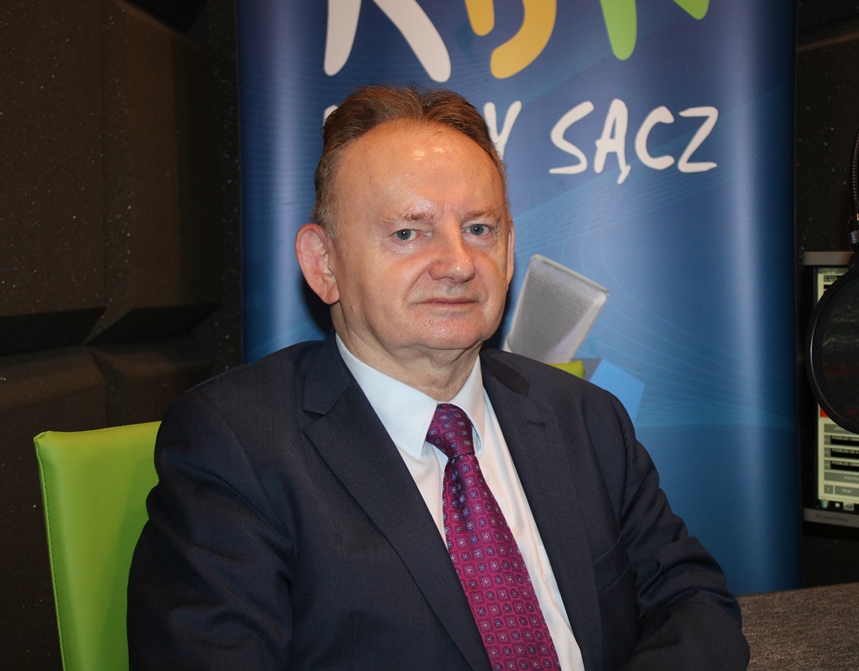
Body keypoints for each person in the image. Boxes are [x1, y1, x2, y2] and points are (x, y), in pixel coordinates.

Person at [127, 85, 749, 670]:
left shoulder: (585, 417)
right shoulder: (236, 447)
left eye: (479, 229)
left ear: (509, 251)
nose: (457, 263)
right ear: (324, 264)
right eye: (408, 232)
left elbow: (693, 601)